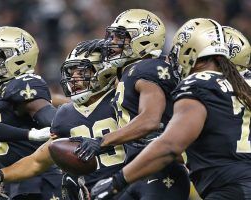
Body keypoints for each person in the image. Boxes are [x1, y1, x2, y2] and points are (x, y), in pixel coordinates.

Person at [90, 18, 251, 200]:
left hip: (232, 190)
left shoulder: (198, 83)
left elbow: (170, 146)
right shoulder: (244, 87)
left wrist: (117, 181)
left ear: (188, 52)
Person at [74, 9, 190, 200]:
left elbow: (150, 120)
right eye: (111, 36)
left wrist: (102, 141)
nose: (111, 42)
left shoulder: (147, 68)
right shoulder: (129, 73)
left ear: (143, 40)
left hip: (160, 169)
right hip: (137, 170)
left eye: (120, 37)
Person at [0, 48, 126, 200]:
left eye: (81, 72)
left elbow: (143, 129)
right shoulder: (65, 114)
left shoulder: (122, 101)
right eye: (71, 72)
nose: (74, 78)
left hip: (128, 183)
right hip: (90, 192)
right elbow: (37, 161)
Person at [0, 26, 62, 200]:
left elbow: (52, 120)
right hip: (16, 179)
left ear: (17, 58)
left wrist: (59, 128)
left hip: (38, 180)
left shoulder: (22, 83)